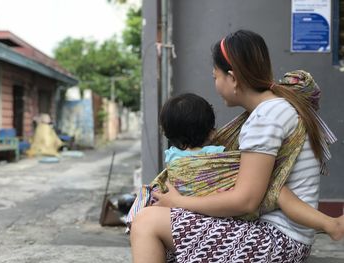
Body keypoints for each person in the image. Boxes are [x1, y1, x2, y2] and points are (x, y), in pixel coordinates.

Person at [130, 30, 342, 262]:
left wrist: (178, 201)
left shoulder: (266, 117)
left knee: (146, 222)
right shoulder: (275, 107)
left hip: (276, 242)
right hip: (281, 235)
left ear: (232, 78)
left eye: (215, 77)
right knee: (163, 225)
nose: (215, 84)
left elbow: (246, 200)